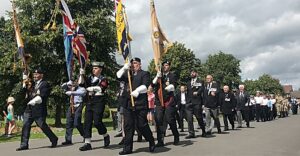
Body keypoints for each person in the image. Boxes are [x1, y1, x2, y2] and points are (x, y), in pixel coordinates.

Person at [116, 57, 155, 155]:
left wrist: (137, 91)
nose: (134, 65)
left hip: (140, 104)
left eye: (136, 63)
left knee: (141, 125)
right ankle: (127, 148)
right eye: (132, 63)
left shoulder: (144, 74)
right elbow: (118, 76)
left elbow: (145, 86)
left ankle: (151, 140)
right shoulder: (128, 74)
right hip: (128, 104)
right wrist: (124, 68)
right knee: (128, 126)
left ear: (140, 64)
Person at [17, 68, 58, 151]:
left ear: (41, 75)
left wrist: (34, 101)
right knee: (25, 126)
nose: (35, 76)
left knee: (42, 125)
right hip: (29, 109)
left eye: (37, 74)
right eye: (34, 74)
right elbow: (24, 92)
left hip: (39, 109)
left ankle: (53, 139)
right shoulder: (32, 84)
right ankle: (24, 144)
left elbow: (42, 96)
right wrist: (24, 83)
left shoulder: (45, 84)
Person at [79, 61, 110, 151]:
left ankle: (105, 135)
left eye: (96, 68)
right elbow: (81, 84)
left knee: (97, 122)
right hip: (89, 101)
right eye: (93, 68)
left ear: (100, 70)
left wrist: (91, 88)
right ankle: (87, 143)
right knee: (87, 122)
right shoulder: (89, 78)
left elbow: (102, 88)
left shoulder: (103, 79)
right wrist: (81, 75)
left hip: (99, 102)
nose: (93, 70)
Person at [152, 60, 179, 147]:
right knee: (159, 119)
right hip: (159, 100)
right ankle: (160, 140)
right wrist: (157, 76)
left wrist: (168, 87)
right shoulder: (159, 75)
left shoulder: (172, 75)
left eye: (166, 65)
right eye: (163, 65)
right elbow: (152, 84)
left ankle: (176, 135)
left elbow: (173, 85)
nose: (165, 67)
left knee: (170, 119)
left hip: (168, 100)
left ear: (169, 67)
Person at [61, 80, 86, 145]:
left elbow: (81, 93)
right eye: (72, 82)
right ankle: (68, 140)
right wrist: (67, 83)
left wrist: (72, 92)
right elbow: (62, 87)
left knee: (77, 123)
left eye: (75, 82)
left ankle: (85, 135)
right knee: (68, 123)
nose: (74, 83)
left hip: (78, 105)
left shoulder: (81, 88)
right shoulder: (70, 87)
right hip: (71, 105)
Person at [185, 70, 206, 138]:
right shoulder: (188, 82)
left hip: (197, 102)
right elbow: (187, 92)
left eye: (193, 72)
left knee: (199, 117)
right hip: (189, 103)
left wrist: (198, 92)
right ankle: (191, 133)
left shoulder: (200, 81)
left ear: (196, 73)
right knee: (189, 118)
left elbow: (202, 88)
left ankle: (203, 130)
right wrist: (186, 101)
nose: (192, 73)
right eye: (191, 72)